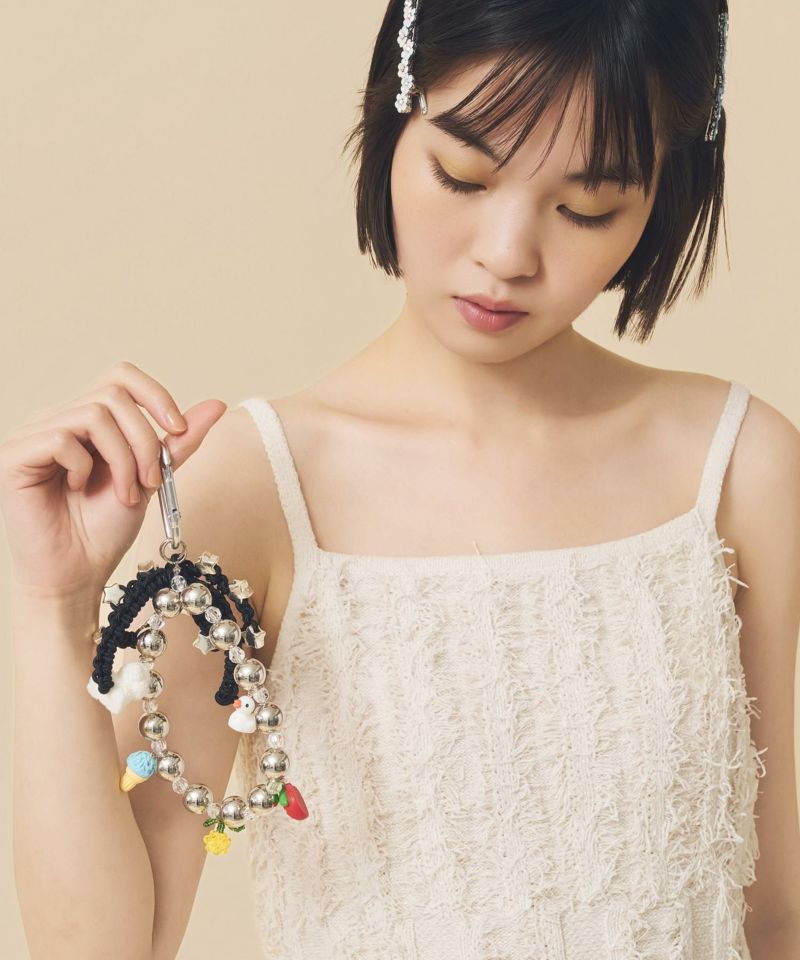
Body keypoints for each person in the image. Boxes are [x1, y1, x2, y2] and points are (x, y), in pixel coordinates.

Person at [2, 1, 799, 958]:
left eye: (586, 207)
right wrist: (50, 609)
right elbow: (100, 949)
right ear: (392, 115)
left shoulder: (738, 467)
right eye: (462, 175)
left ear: (667, 190)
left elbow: (773, 915)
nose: (507, 255)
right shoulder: (259, 485)